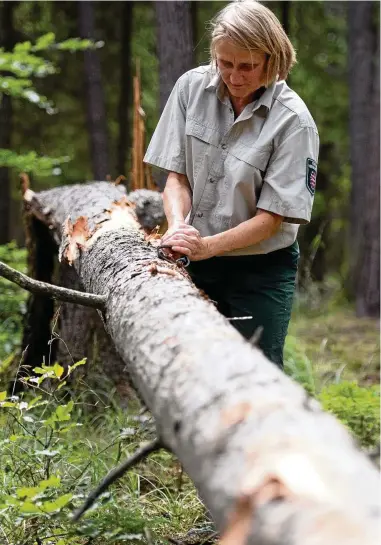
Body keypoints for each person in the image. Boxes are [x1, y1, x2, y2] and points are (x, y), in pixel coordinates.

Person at [143, 0, 319, 369]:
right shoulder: (190, 88)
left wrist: (207, 246)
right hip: (193, 257)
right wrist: (178, 228)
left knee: (256, 372)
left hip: (260, 271)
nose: (234, 76)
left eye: (247, 66)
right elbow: (176, 177)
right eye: (225, 63)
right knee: (191, 369)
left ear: (273, 61)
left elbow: (272, 219)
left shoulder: (294, 123)